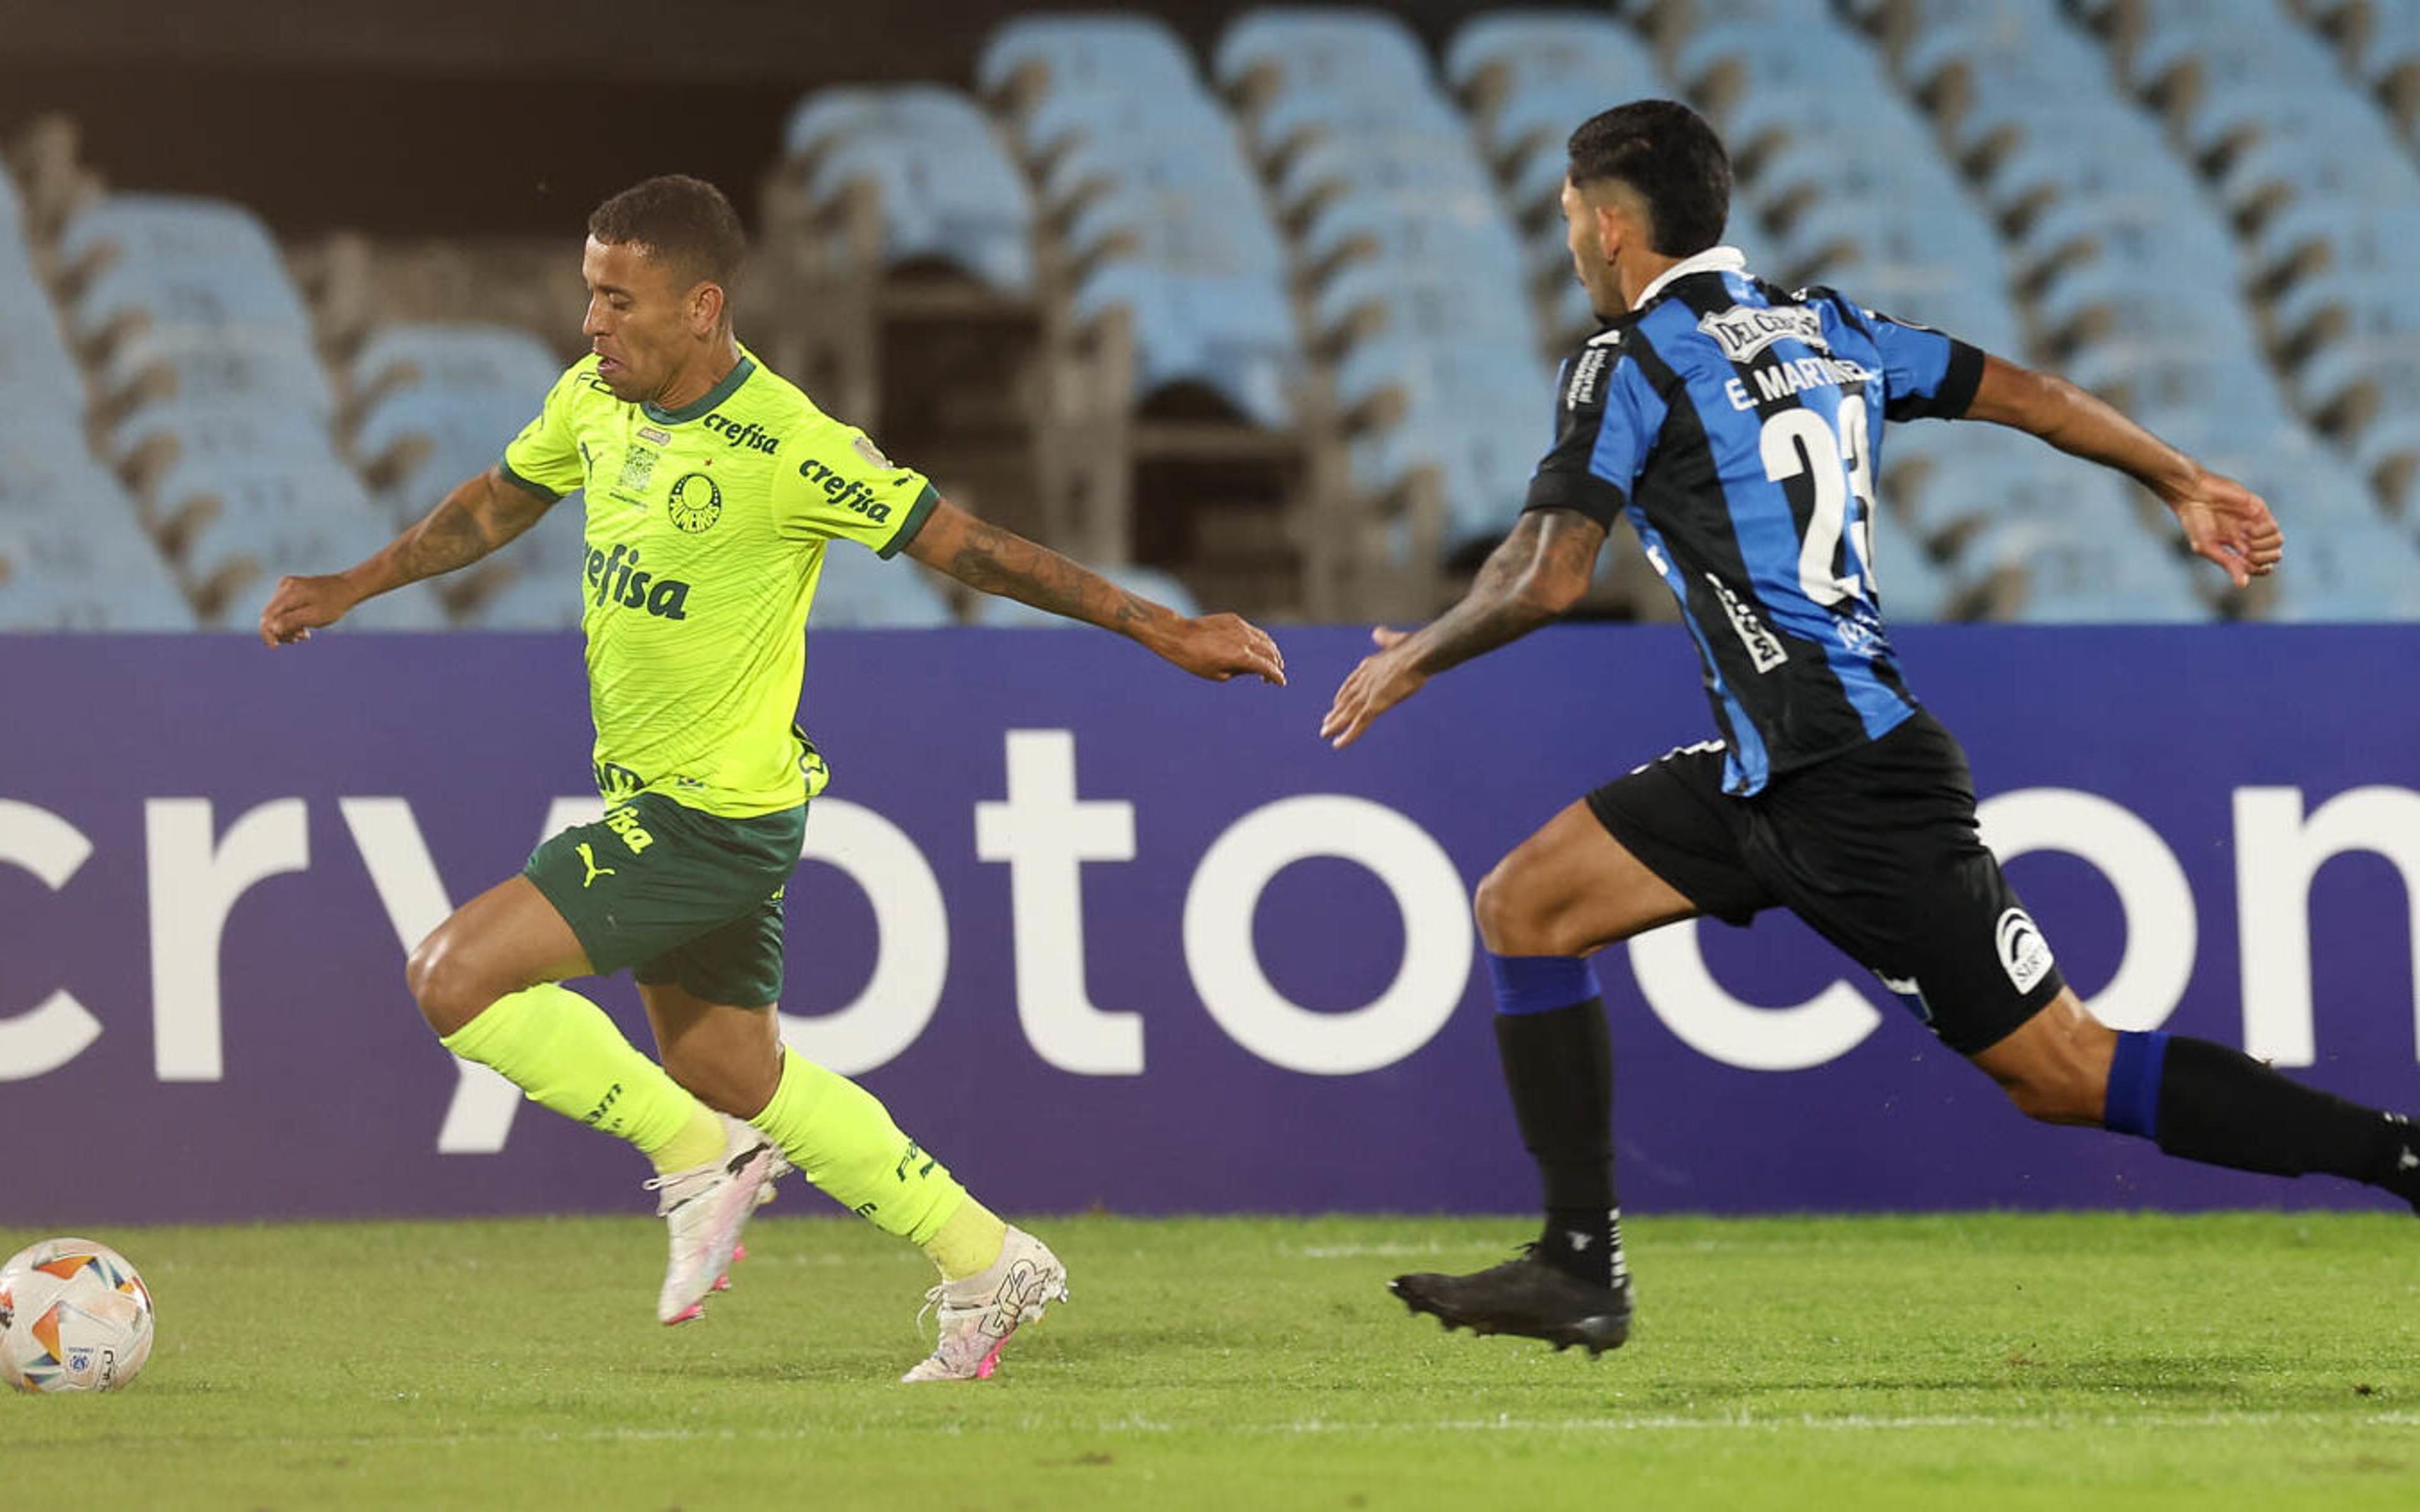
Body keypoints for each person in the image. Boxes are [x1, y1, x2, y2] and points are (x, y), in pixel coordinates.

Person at [1320, 100, 2420, 1355]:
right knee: (1525, 907)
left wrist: (1421, 654)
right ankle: (1580, 1266)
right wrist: (2180, 479)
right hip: (1764, 772)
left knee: (2061, 1073)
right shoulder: (1829, 330)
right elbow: (2041, 396)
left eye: (1573, 216)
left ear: (1616, 228)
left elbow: (1554, 577)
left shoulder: (1631, 360)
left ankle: (2395, 1153)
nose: (1568, 237)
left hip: (1850, 781)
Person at [261, 175, 1286, 1381]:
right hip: (691, 806)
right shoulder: (595, 400)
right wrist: (351, 587)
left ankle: (701, 1154)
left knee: (452, 978)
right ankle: (984, 1255)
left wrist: (1160, 627)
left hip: (709, 823)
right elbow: (496, 503)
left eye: (617, 299)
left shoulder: (790, 447)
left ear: (702, 306)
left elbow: (972, 547)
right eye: (588, 293)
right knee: (735, 1068)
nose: (591, 323)